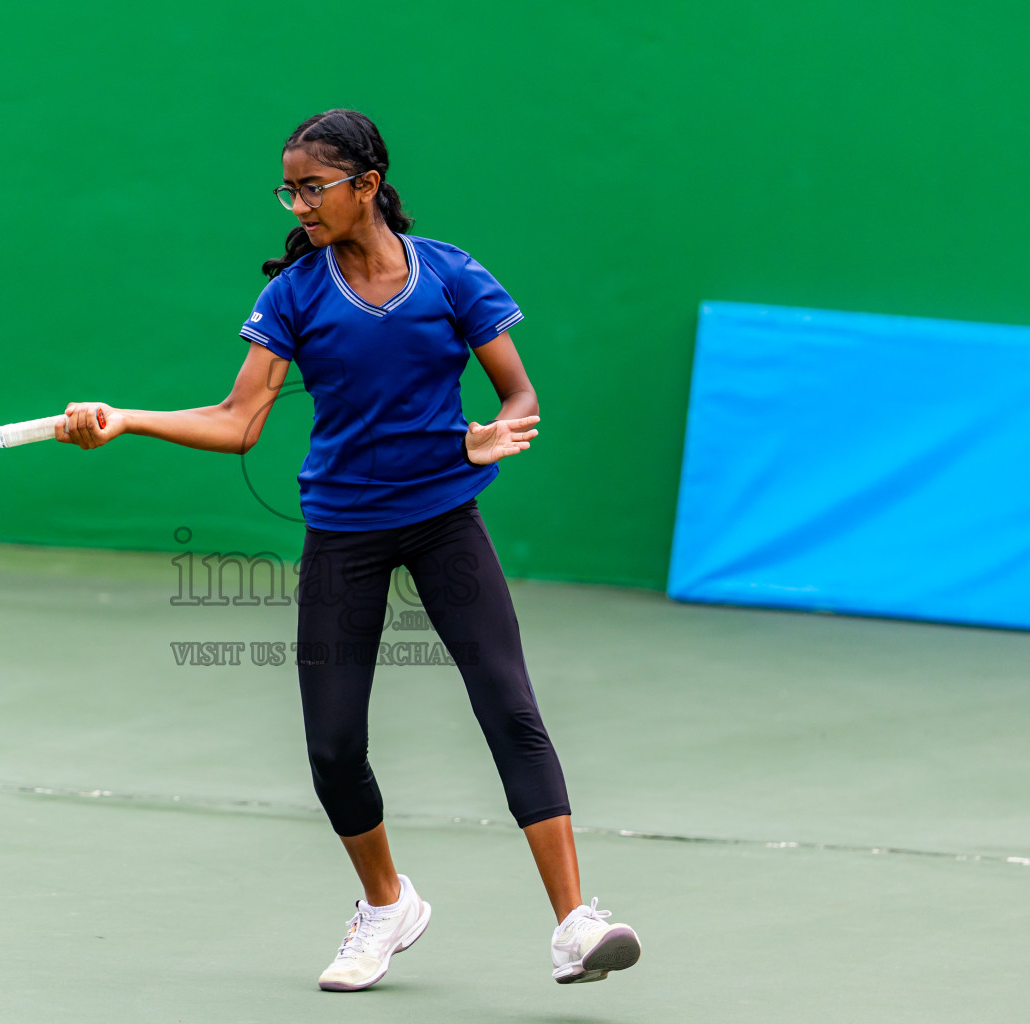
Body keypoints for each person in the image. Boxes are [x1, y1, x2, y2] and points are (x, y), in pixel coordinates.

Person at [55, 108, 641, 991]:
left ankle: (573, 923)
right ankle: (385, 906)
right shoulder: (294, 294)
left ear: (367, 185)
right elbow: (237, 420)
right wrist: (128, 419)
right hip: (345, 530)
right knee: (332, 746)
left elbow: (519, 395)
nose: (297, 204)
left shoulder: (451, 275)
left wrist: (488, 435)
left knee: (508, 707)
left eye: (312, 187)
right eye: (288, 189)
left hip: (446, 518)